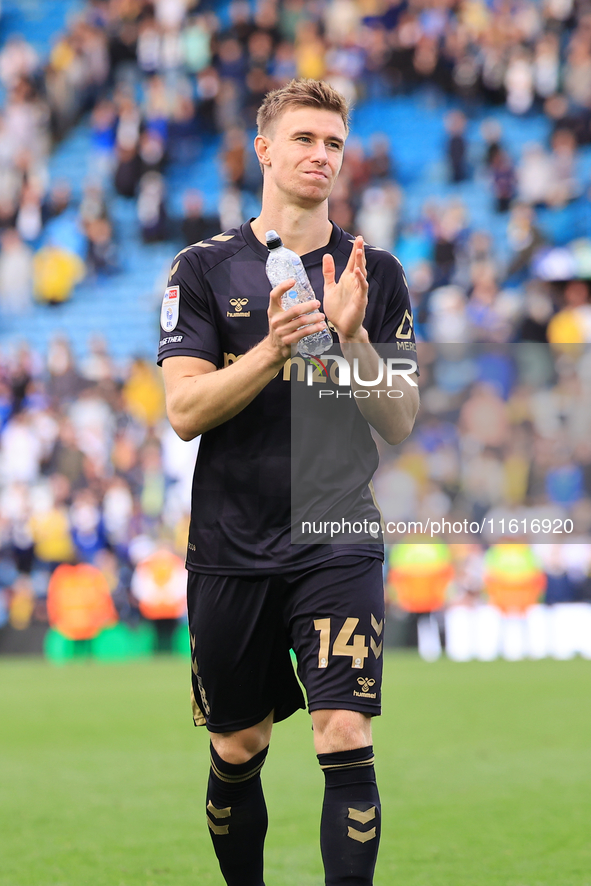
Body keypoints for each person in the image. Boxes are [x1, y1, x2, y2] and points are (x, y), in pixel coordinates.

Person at [157, 78, 419, 886]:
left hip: (335, 532)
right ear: (264, 149)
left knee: (342, 729)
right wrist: (273, 348)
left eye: (334, 144)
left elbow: (400, 418)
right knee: (239, 744)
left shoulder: (373, 271)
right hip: (231, 542)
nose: (321, 156)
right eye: (304, 139)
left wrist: (351, 341)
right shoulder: (203, 268)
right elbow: (184, 411)